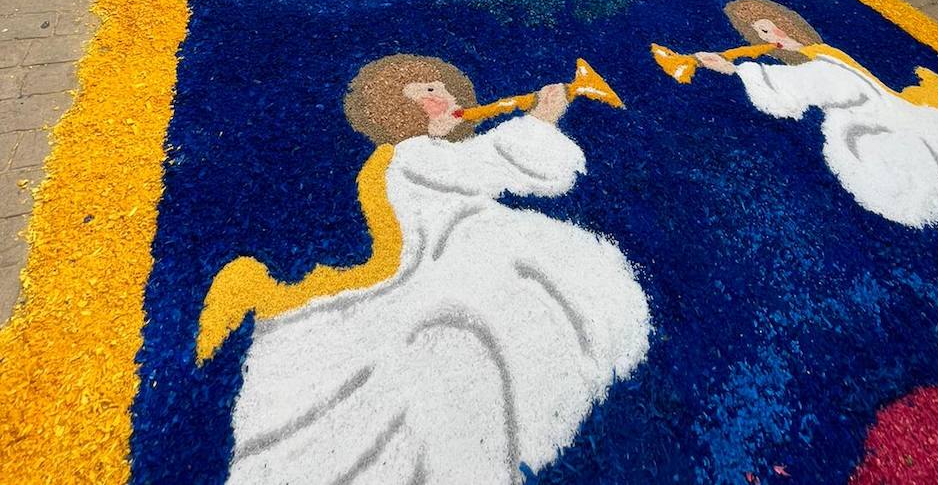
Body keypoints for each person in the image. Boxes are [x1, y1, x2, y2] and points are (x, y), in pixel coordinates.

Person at [207, 53, 649, 484]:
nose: (436, 98)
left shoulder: (422, 155)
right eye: (420, 94)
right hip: (452, 256)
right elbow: (496, 166)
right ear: (397, 112)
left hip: (465, 245)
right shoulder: (410, 156)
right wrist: (541, 119)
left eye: (438, 88)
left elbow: (506, 166)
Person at [689, 0, 938, 230]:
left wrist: (736, 71)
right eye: (761, 33)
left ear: (789, 26)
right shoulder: (813, 63)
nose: (772, 36)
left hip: (892, 113)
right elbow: (803, 85)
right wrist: (735, 71)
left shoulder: (825, 53)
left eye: (773, 27)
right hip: (872, 124)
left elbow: (826, 82)